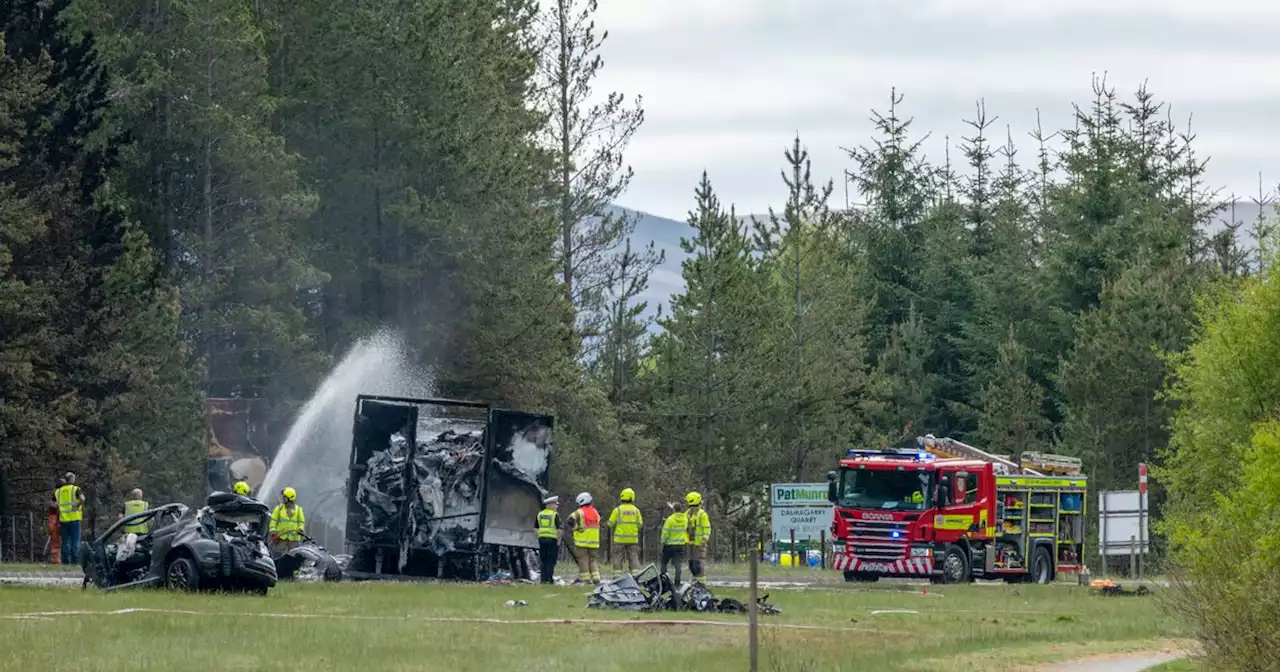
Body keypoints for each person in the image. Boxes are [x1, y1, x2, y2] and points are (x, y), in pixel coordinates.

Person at [607, 487, 643, 575]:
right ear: (632, 497)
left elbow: (610, 524)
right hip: (632, 540)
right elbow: (640, 524)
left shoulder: (617, 510)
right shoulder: (636, 510)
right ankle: (635, 576)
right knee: (634, 557)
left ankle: (617, 576)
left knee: (617, 558)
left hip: (619, 540)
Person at [568, 491, 601, 584]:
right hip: (594, 542)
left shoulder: (579, 512)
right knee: (593, 560)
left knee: (583, 560)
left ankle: (586, 580)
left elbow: (570, 520)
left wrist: (576, 528)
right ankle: (596, 578)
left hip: (582, 541)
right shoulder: (595, 512)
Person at [55, 472, 85, 564]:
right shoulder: (75, 489)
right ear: (72, 479)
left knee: (64, 542)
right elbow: (82, 499)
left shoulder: (58, 491)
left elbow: (52, 503)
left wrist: (59, 508)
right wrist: (77, 505)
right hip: (74, 518)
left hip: (63, 519)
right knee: (75, 541)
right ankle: (75, 560)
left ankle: (65, 561)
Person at [659, 501, 689, 587]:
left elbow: (665, 532)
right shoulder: (685, 519)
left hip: (669, 545)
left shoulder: (670, 519)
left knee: (664, 563)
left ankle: (664, 581)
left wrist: (662, 542)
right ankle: (677, 582)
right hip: (680, 545)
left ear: (674, 510)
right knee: (678, 565)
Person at [269, 487, 305, 555]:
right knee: (277, 555)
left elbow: (301, 522)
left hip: (294, 540)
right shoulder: (279, 509)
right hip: (281, 538)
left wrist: (300, 529)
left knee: (293, 557)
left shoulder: (298, 510)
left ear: (290, 498)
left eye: (285, 497)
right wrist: (273, 532)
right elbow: (273, 522)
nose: (283, 498)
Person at [686, 491, 711, 583]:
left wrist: (704, 538)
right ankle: (695, 580)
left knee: (699, 564)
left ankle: (701, 583)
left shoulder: (702, 514)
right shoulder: (688, 514)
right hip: (690, 543)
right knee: (691, 564)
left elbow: (707, 528)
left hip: (700, 543)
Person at [535, 495, 561, 585]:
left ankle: (543, 579)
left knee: (543, 559)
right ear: (549, 505)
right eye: (555, 504)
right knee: (551, 560)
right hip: (552, 540)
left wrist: (539, 536)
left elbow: (535, 528)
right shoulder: (555, 515)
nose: (557, 506)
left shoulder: (540, 514)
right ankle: (549, 579)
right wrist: (559, 541)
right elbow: (559, 529)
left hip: (542, 540)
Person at [47, 477, 63, 564]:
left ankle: (57, 558)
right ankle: (56, 558)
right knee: (55, 538)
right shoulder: (56, 493)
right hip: (55, 518)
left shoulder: (57, 493)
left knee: (56, 539)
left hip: (55, 518)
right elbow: (52, 504)